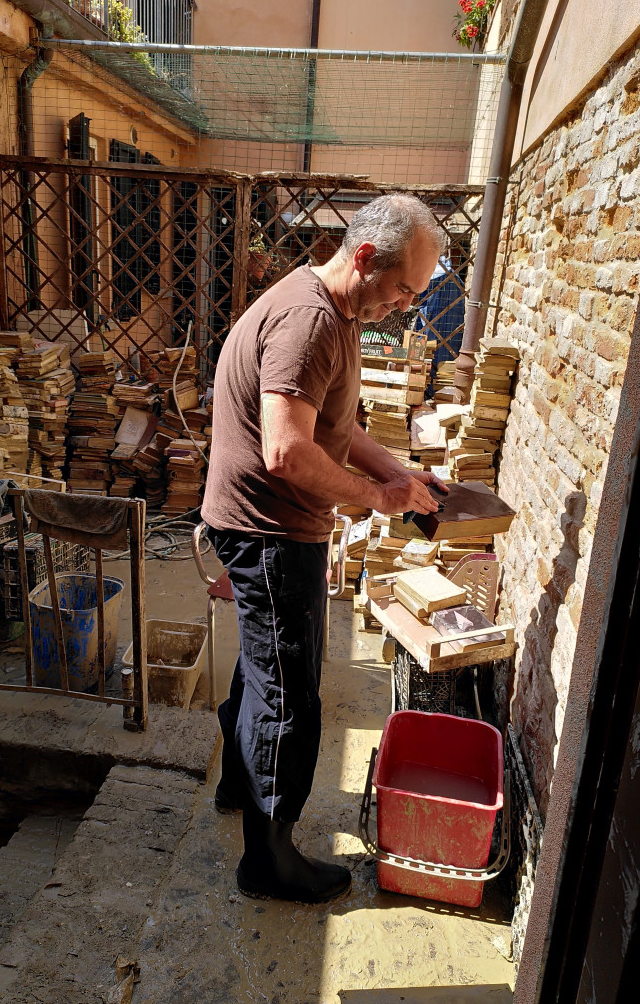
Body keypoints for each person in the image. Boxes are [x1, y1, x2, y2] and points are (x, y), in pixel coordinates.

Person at [201, 193, 448, 904]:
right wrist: (379, 501)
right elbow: (287, 450)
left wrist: (395, 472)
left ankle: (235, 785)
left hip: (260, 524)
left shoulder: (330, 308)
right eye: (403, 288)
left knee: (259, 669)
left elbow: (335, 428)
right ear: (365, 257)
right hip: (271, 531)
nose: (404, 305)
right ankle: (268, 859)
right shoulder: (311, 321)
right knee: (287, 693)